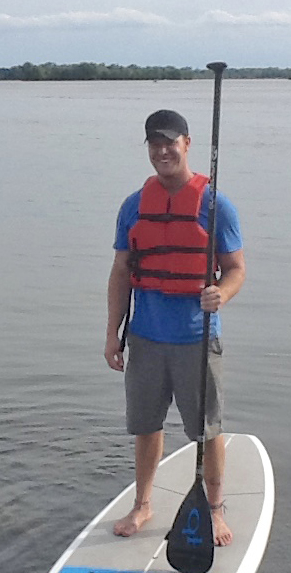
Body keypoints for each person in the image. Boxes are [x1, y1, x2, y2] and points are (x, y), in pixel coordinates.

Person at [104, 109, 245, 547]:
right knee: (145, 425)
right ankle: (143, 503)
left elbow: (236, 269)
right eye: (154, 144)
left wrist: (221, 293)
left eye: (170, 142)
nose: (162, 151)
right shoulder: (133, 205)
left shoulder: (216, 204)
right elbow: (121, 271)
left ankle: (215, 509)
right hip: (146, 337)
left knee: (207, 430)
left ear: (187, 143)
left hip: (196, 338)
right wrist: (113, 332)